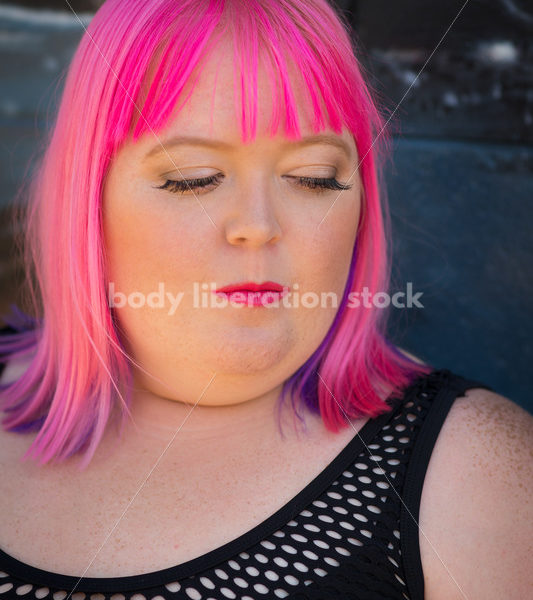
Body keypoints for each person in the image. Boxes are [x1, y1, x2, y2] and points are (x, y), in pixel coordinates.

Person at [0, 0, 531, 599]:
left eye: (314, 178)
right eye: (193, 178)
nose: (257, 225)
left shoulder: (479, 479)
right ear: (89, 203)